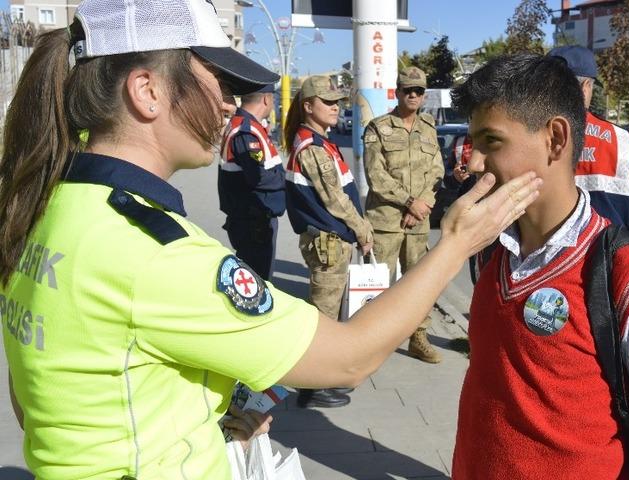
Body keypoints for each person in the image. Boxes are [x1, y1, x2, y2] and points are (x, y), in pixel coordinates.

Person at [0, 1, 542, 478]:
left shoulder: (49, 208)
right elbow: (348, 359)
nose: (229, 106)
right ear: (147, 92)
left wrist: (195, 416)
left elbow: (41, 402)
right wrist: (454, 244)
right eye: (219, 84)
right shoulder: (152, 253)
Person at [450, 54, 629, 479]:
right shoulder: (490, 250)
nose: (475, 162)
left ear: (555, 139)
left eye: (491, 142)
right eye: (473, 143)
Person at [283, 75, 374, 409]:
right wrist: (363, 230)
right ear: (309, 106)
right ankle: (313, 386)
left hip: (330, 240)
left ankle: (319, 381)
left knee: (326, 316)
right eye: (328, 102)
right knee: (323, 319)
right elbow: (336, 200)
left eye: (337, 102)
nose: (336, 108)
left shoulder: (318, 142)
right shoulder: (313, 148)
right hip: (328, 241)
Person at [363, 66, 445, 363]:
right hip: (386, 220)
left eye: (419, 91)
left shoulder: (429, 127)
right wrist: (410, 202)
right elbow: (376, 175)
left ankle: (418, 337)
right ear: (397, 92)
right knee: (378, 285)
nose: (413, 95)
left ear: (424, 95)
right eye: (408, 90)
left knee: (419, 284)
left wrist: (422, 204)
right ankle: (372, 341)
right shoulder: (378, 127)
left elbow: (437, 170)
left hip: (418, 221)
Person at [548, 46, 629, 239]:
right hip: (605, 262)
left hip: (542, 265)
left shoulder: (528, 135)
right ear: (585, 87)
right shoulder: (625, 142)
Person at [218, 82, 285, 280]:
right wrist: (286, 181)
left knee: (256, 276)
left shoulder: (248, 126)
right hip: (253, 222)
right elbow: (259, 177)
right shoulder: (246, 131)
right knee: (258, 280)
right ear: (267, 99)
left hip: (254, 220)